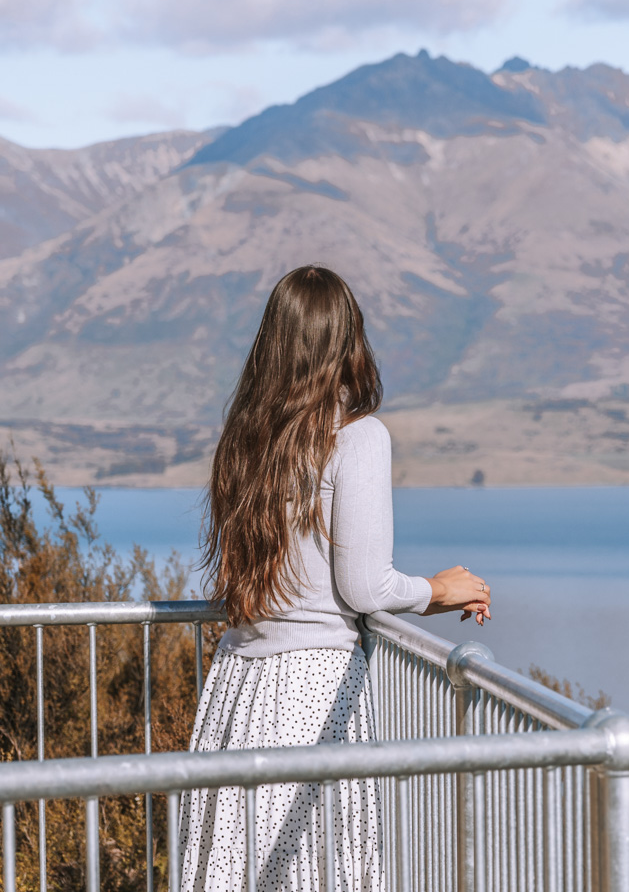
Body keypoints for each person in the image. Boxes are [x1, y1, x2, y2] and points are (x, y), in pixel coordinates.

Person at [179, 265, 492, 891]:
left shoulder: (246, 438)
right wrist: (436, 590)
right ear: (348, 342)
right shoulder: (358, 439)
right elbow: (364, 588)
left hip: (236, 687)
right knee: (314, 869)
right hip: (314, 693)